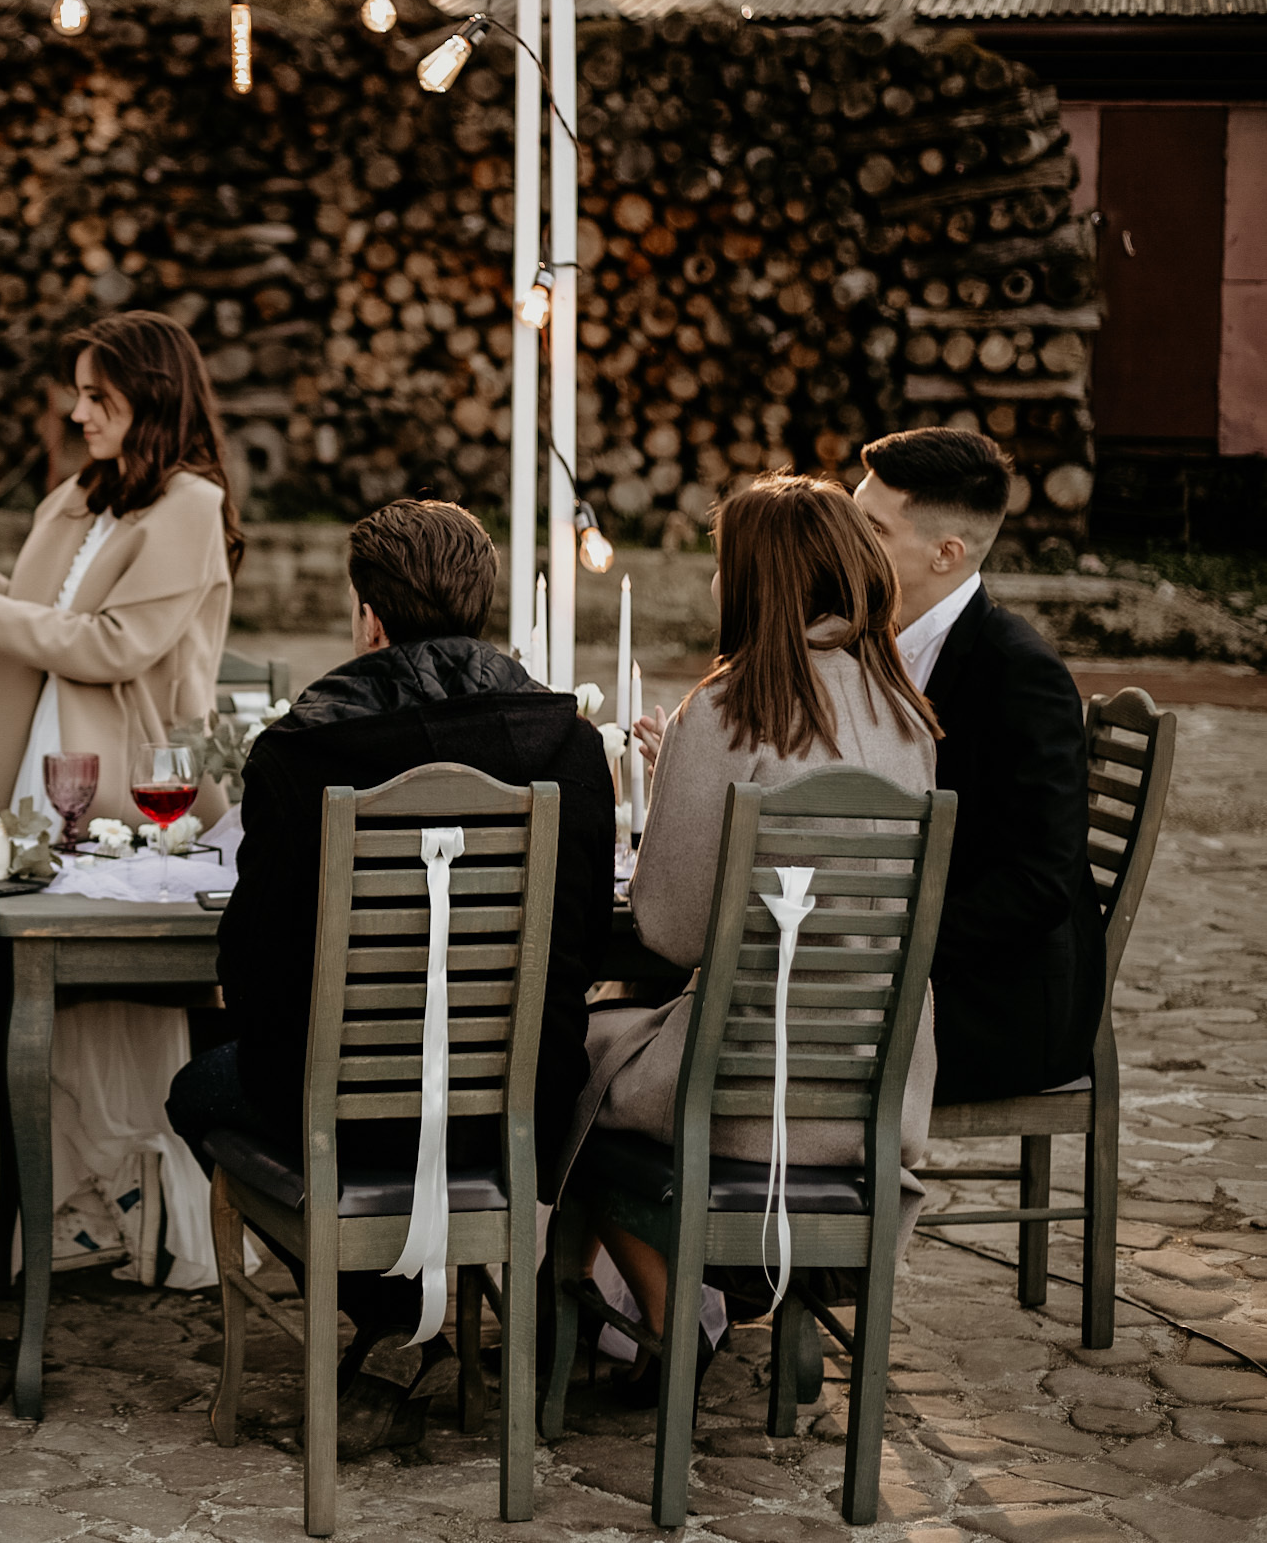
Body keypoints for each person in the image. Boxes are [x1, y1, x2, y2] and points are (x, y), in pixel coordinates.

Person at [165, 498, 617, 1458]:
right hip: (515, 1098)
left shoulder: (298, 750)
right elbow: (579, 941)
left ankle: (383, 1296)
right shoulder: (570, 746)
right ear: (481, 608)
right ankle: (422, 1299)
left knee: (199, 1083)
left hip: (343, 1106)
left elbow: (249, 970)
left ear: (367, 617)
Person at [0, 310, 241, 1287]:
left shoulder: (189, 506)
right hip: (27, 776)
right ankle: (34, 1212)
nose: (78, 411)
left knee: (100, 1000)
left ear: (154, 402)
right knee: (7, 993)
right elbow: (47, 615)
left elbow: (112, 645)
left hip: (126, 779)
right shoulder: (83, 495)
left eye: (101, 396)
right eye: (80, 392)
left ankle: (119, 1208)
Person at [579, 473, 942, 1392]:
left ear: (755, 583)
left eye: (718, 566)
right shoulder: (905, 717)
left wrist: (673, 792)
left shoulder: (729, 706)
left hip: (743, 1088)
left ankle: (669, 1307)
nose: (710, 585)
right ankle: (696, 1299)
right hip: (871, 1093)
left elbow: (666, 928)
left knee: (553, 1063)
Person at [853, 428, 1105, 1104]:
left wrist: (886, 949)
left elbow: (1039, 882)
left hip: (998, 1006)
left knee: (752, 1040)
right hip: (907, 973)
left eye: (869, 529)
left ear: (946, 553)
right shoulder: (868, 640)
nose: (845, 541)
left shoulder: (1019, 673)